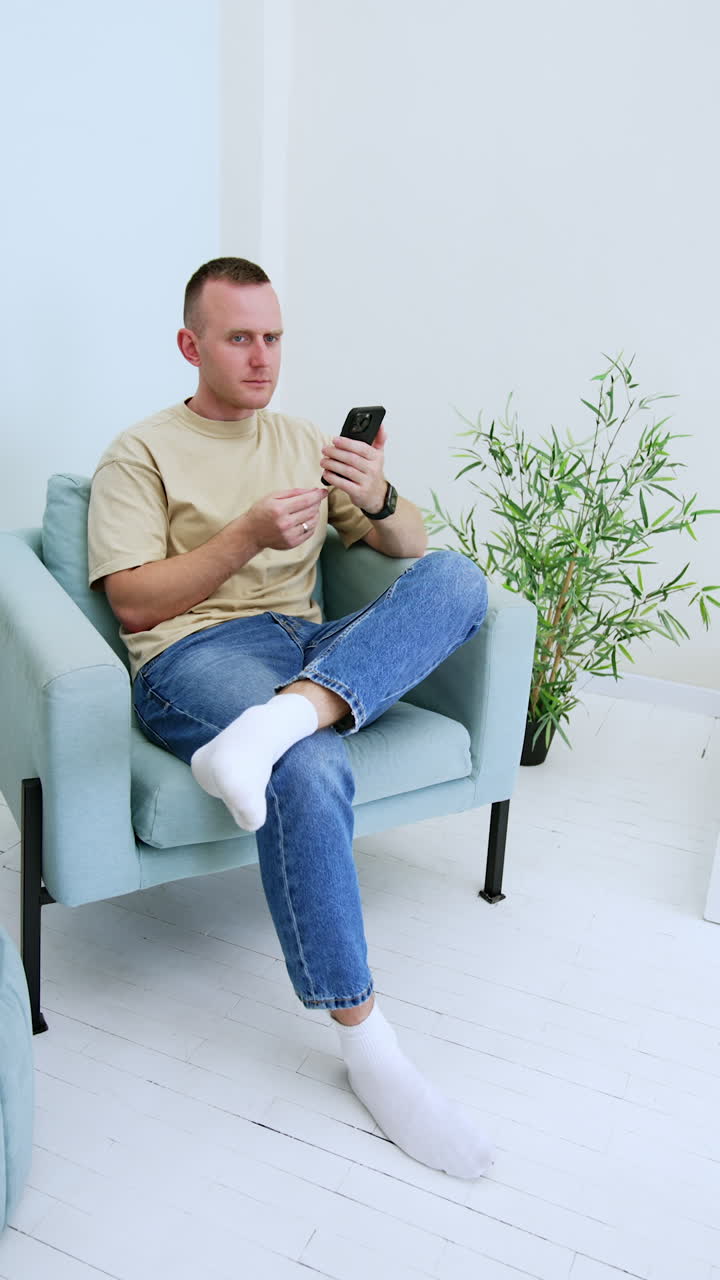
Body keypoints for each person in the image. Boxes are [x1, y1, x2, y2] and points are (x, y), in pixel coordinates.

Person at [88, 257, 493, 1178]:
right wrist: (243, 538)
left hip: (305, 647)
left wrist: (377, 493)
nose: (262, 357)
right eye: (239, 338)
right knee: (308, 765)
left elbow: (409, 546)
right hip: (197, 655)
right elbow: (133, 606)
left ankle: (279, 723)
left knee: (459, 579)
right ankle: (370, 1048)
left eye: (272, 337)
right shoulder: (138, 453)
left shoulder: (304, 439)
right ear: (191, 345)